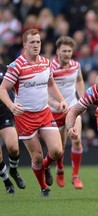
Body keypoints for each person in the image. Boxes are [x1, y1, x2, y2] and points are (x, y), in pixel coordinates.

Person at [0, 29, 68, 197]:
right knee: (36, 157)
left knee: (57, 151)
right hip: (25, 117)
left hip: (44, 113)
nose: (36, 45)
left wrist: (61, 100)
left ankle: (45, 166)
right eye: (32, 42)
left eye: (38, 42)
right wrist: (11, 105)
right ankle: (44, 187)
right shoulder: (16, 66)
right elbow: (2, 89)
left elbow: (51, 84)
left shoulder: (46, 62)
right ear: (24, 45)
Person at [49, 36, 85, 189]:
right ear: (58, 51)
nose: (67, 53)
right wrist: (55, 104)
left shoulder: (76, 65)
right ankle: (60, 168)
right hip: (54, 110)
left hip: (72, 108)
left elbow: (79, 80)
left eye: (70, 51)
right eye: (64, 51)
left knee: (76, 140)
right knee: (61, 146)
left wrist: (82, 100)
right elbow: (43, 90)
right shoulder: (50, 67)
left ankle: (75, 176)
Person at [0, 64, 26, 193]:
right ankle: (7, 182)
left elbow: (17, 87)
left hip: (4, 114)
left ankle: (14, 170)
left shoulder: (6, 69)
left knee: (14, 148)